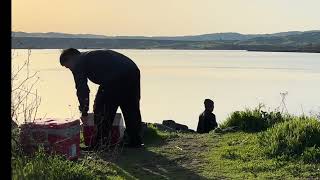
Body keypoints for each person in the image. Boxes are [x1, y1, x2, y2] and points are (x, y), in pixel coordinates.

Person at [59, 48, 143, 148]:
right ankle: (135, 141)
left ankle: (101, 143)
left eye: (68, 67)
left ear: (71, 58)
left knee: (101, 109)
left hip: (115, 77)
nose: (70, 69)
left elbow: (82, 89)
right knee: (130, 107)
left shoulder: (79, 62)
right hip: (132, 71)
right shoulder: (88, 57)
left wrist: (84, 111)